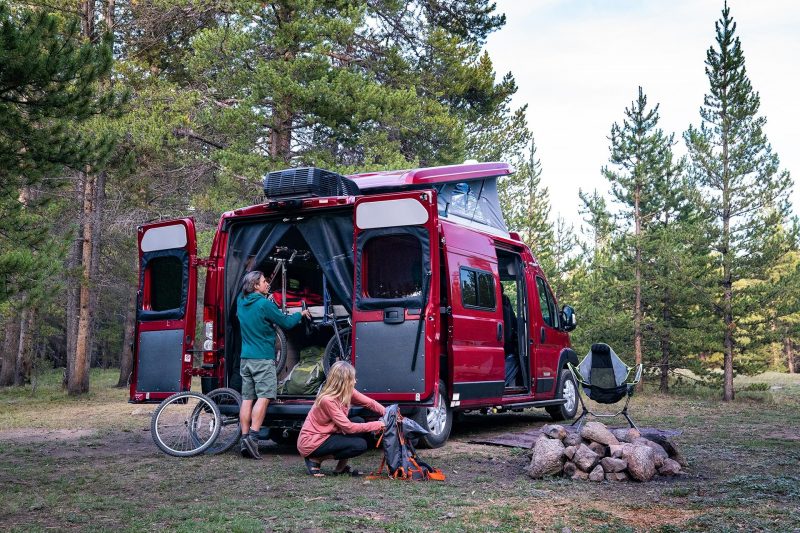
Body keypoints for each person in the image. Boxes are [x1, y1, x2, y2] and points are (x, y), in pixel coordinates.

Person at [237, 270, 311, 460]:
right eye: (263, 281)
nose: (267, 283)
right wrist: (300, 314)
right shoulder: (263, 305)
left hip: (245, 359)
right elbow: (285, 322)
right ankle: (253, 438)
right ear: (255, 285)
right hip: (262, 358)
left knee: (247, 398)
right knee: (264, 397)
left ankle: (244, 438)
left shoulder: (240, 301)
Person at [297, 361, 385, 477]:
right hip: (312, 441)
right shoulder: (327, 400)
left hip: (327, 434)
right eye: (352, 379)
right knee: (359, 445)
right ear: (343, 382)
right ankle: (316, 458)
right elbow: (348, 428)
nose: (355, 381)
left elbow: (370, 403)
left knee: (359, 421)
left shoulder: (347, 392)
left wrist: (389, 413)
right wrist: (379, 424)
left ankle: (340, 469)